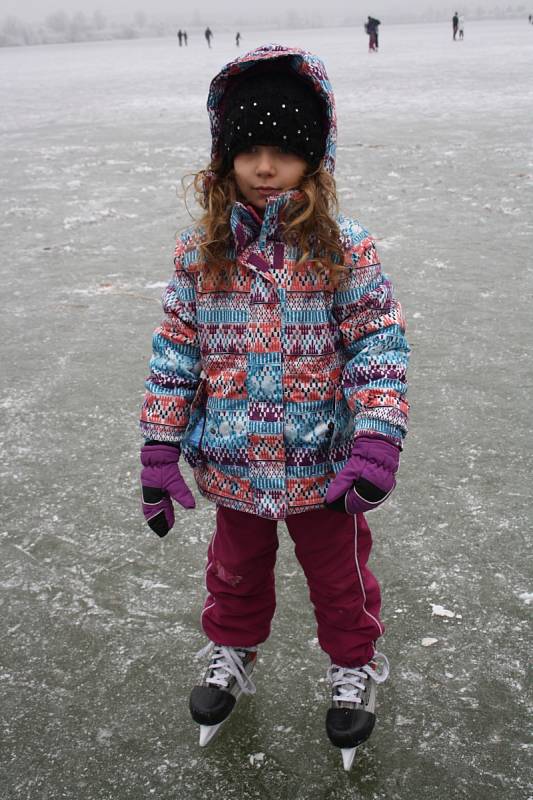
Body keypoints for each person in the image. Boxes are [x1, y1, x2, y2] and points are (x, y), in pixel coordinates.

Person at [139, 45, 409, 770]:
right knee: (232, 571)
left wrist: (376, 437)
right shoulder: (201, 256)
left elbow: (377, 345)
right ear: (224, 157)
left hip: (322, 466)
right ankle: (230, 650)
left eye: (283, 151)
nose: (264, 167)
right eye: (248, 150)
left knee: (340, 579)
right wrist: (159, 448)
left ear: (312, 158)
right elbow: (175, 353)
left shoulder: (343, 250)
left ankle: (353, 667)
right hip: (231, 462)